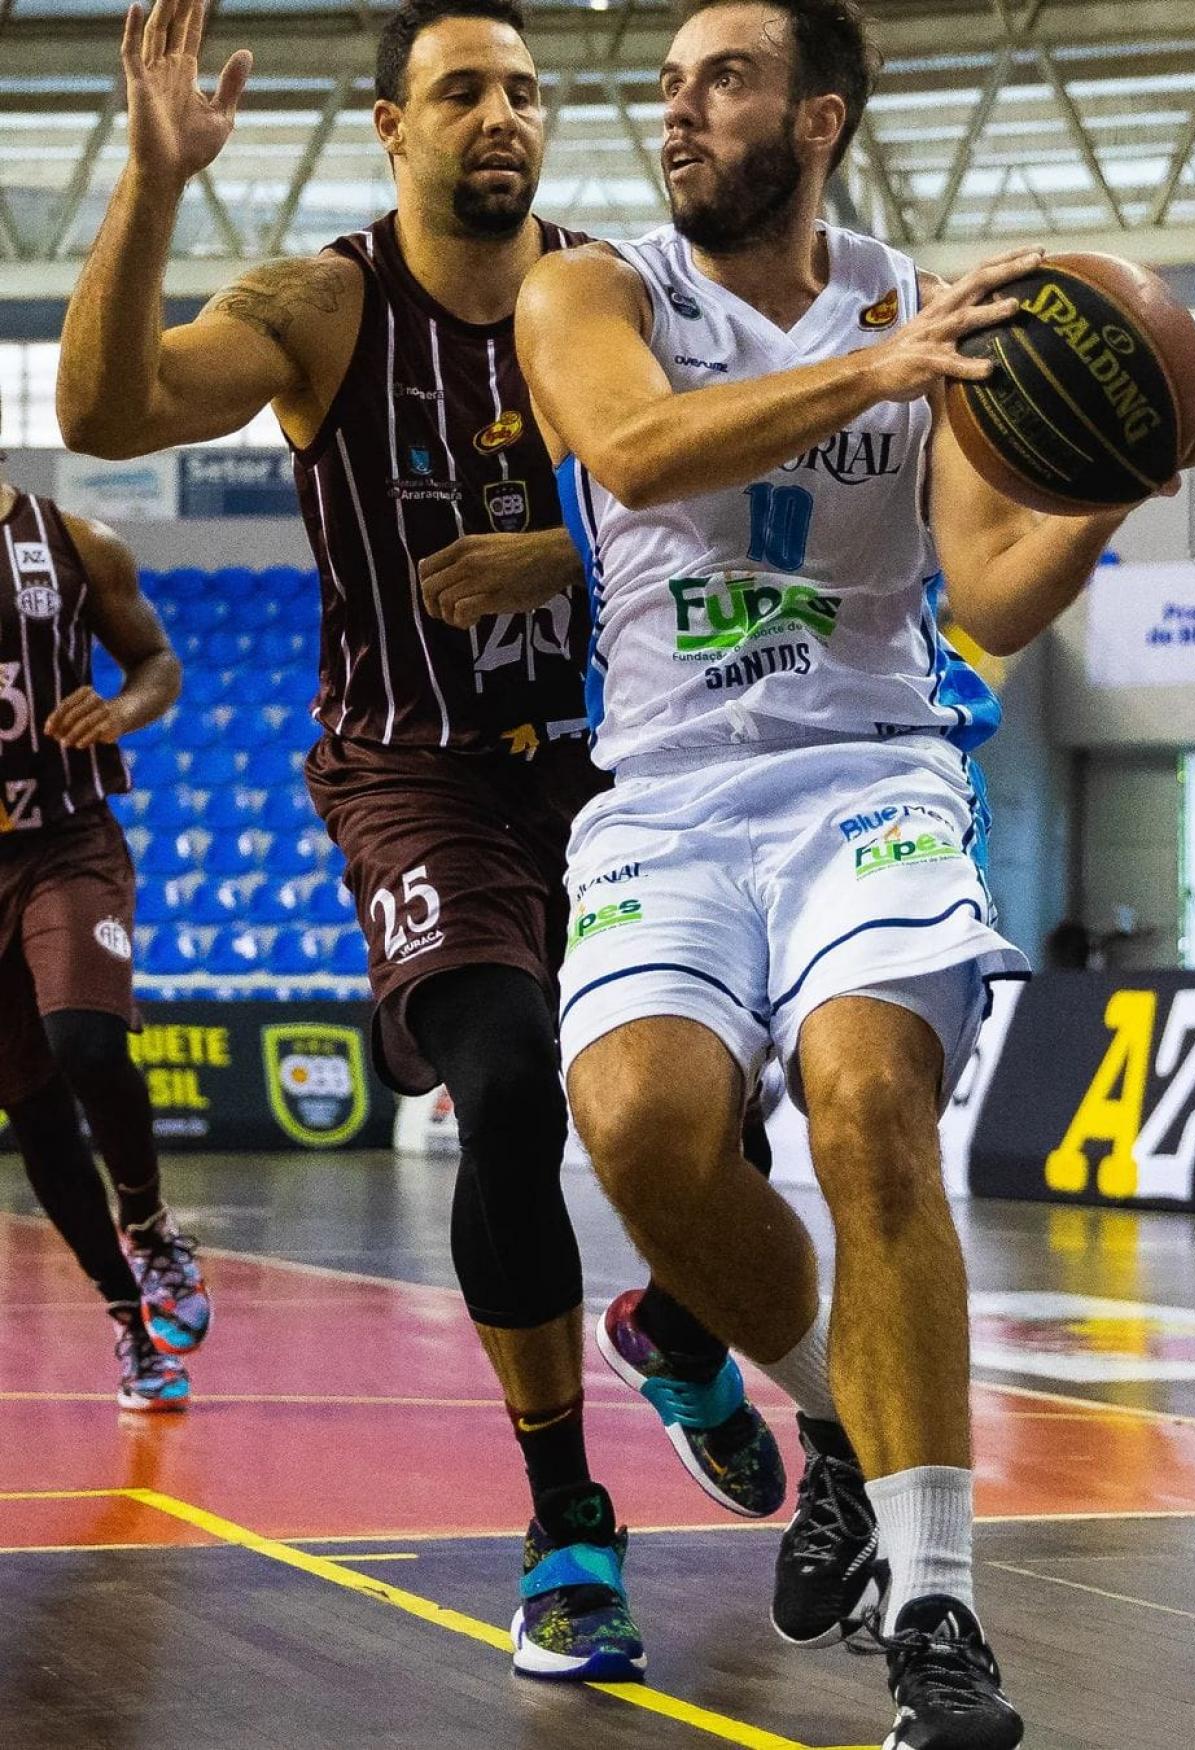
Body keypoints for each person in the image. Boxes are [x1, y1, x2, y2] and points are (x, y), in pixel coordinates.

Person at [517, 1, 1195, 1742]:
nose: (679, 112)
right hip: (668, 789)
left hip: (870, 774)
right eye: (669, 85)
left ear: (816, 117)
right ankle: (837, 1418)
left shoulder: (931, 312)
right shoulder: (591, 289)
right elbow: (633, 453)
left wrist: (1118, 479)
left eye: (723, 81)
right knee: (642, 1135)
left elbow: (982, 593)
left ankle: (940, 1622)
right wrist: (878, 373)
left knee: (866, 1106)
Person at [57, 0, 782, 1682]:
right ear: (393, 125)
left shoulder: (606, 292)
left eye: (525, 91)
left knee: (729, 1086)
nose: (503, 117)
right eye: (463, 91)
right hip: (416, 774)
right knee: (514, 1084)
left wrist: (563, 558)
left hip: (618, 768)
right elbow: (108, 413)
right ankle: (564, 1525)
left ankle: (676, 1327)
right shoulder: (324, 302)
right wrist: (153, 184)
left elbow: (722, 494)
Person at [0, 427, 211, 1412]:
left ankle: (154, 1223)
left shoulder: (75, 541)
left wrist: (120, 712)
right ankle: (130, 1324)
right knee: (33, 1105)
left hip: (66, 839)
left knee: (83, 1038)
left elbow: (158, 663)